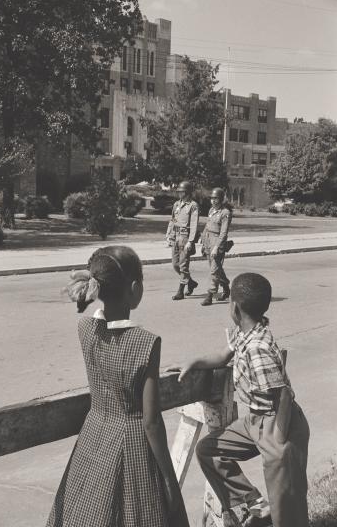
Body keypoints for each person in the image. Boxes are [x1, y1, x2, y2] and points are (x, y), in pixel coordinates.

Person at [47, 246, 189, 527]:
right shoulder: (146, 343)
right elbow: (151, 422)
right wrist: (170, 480)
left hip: (94, 435)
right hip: (133, 442)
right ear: (135, 289)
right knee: (138, 515)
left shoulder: (85, 328)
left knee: (92, 511)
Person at [166, 273, 310, 527]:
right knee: (209, 451)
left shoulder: (258, 347)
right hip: (256, 420)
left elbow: (284, 395)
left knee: (288, 512)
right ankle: (255, 504)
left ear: (234, 307)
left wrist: (277, 442)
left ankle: (278, 515)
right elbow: (222, 357)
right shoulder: (244, 332)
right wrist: (193, 362)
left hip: (280, 423)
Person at [166, 181, 199, 301]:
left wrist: (191, 241)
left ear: (188, 192)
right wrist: (169, 235)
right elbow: (172, 220)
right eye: (179, 191)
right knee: (175, 264)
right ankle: (190, 282)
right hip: (176, 236)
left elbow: (194, 224)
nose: (179, 193)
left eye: (182, 191)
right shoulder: (176, 204)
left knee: (183, 266)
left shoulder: (193, 205)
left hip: (185, 237)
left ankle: (180, 291)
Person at [201, 187, 232, 306]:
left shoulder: (225, 213)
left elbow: (223, 233)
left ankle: (210, 295)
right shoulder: (211, 210)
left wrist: (216, 247)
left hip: (217, 242)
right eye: (212, 198)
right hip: (208, 240)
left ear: (221, 199)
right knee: (216, 268)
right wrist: (204, 242)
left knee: (214, 271)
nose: (213, 201)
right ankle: (226, 286)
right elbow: (207, 226)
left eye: (216, 198)